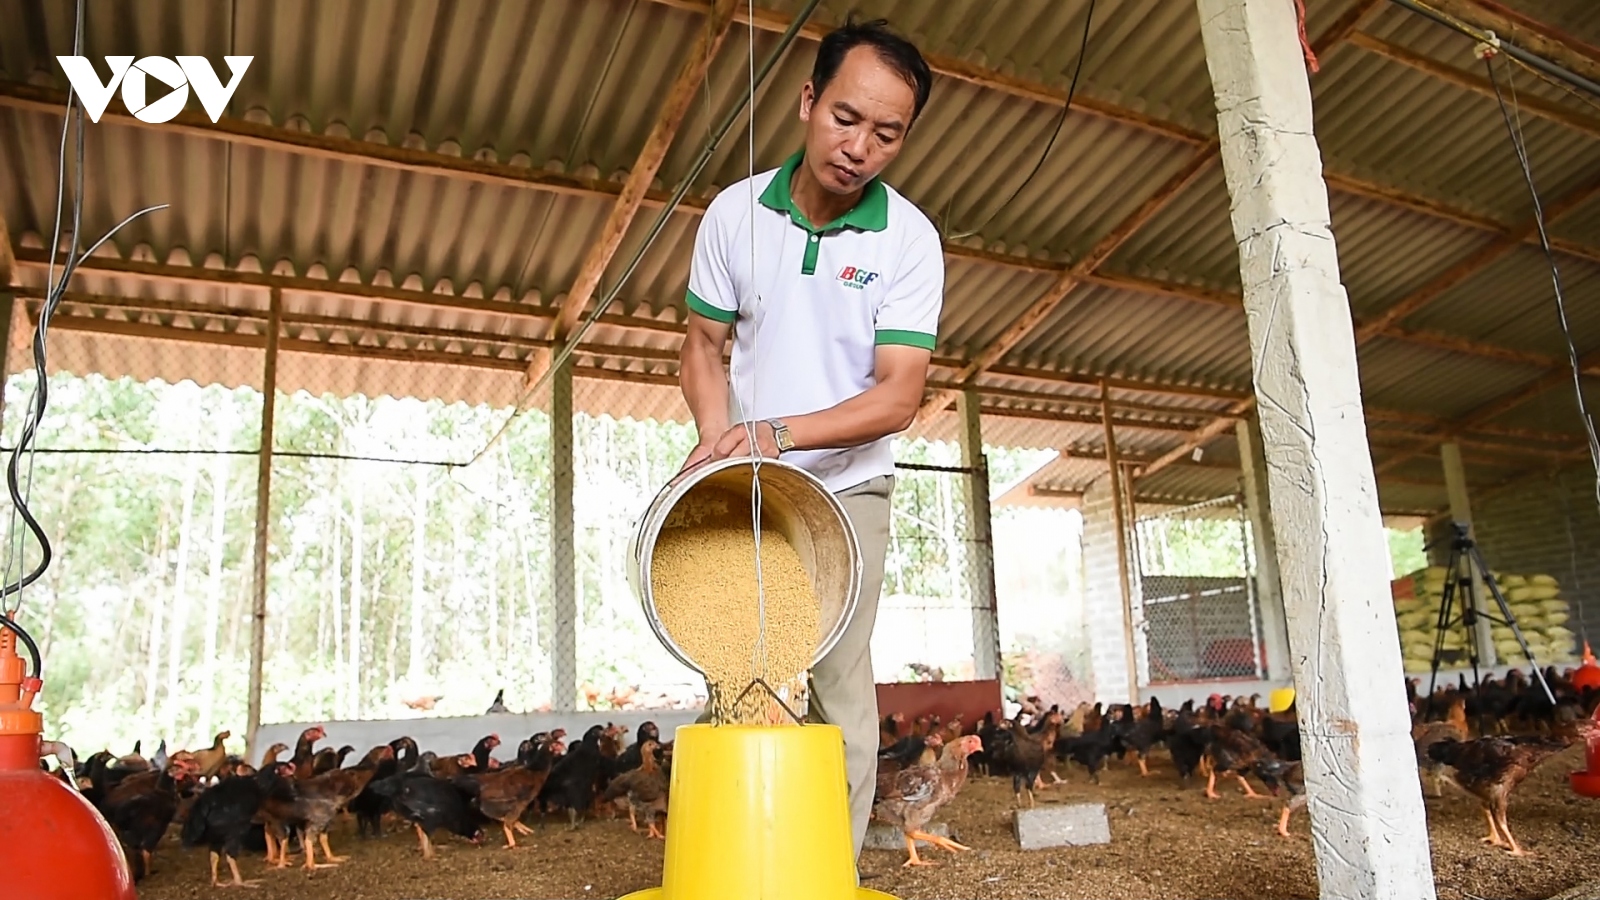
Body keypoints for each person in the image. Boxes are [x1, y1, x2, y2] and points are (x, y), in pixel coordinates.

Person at [675, 17, 941, 865]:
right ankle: (737, 865)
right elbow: (701, 347)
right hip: (746, 482)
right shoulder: (734, 213)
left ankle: (828, 866)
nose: (860, 146)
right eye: (845, 117)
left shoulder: (908, 241)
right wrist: (722, 444)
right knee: (736, 672)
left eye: (886, 132)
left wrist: (774, 434)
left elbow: (898, 395)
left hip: (848, 487)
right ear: (807, 101)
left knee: (835, 681)